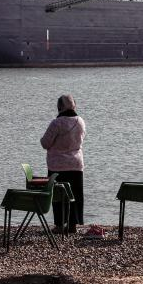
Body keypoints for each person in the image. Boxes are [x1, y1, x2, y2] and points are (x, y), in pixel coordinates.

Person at [40, 94, 85, 233]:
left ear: (60, 107)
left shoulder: (56, 123)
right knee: (75, 195)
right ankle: (73, 225)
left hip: (57, 165)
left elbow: (45, 143)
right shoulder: (80, 121)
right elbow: (81, 139)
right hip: (76, 164)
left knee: (58, 196)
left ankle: (59, 225)